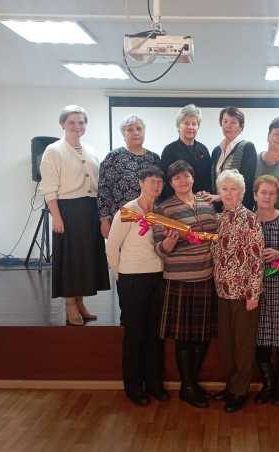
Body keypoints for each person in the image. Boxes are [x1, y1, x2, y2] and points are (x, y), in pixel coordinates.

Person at [153, 160, 218, 408]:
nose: (182, 181)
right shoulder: (163, 209)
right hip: (179, 280)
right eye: (176, 178)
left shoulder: (207, 204)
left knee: (202, 337)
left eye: (186, 176)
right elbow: (159, 248)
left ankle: (192, 383)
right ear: (171, 183)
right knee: (183, 338)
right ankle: (188, 386)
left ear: (193, 177)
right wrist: (168, 243)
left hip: (206, 277)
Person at [39, 105, 110, 326]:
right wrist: (57, 217)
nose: (77, 126)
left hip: (90, 209)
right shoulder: (53, 150)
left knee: (85, 258)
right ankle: (69, 304)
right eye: (72, 122)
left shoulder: (90, 150)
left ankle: (80, 302)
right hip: (68, 210)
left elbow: (97, 183)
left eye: (81, 122)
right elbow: (48, 188)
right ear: (62, 124)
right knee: (71, 259)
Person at [105, 166, 168, 406]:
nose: (156, 185)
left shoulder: (161, 211)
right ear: (141, 183)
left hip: (157, 277)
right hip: (132, 278)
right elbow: (112, 247)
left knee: (154, 335)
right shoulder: (128, 211)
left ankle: (154, 385)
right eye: (151, 181)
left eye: (159, 181)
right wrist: (119, 275)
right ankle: (133, 387)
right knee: (135, 335)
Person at [211, 169, 265, 413]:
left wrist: (254, 293)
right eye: (225, 189)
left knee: (243, 345)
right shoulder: (217, 219)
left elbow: (257, 259)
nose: (229, 193)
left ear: (241, 192)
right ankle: (230, 386)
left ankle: (240, 391)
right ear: (219, 192)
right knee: (226, 345)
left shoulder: (250, 219)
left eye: (234, 189)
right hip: (221, 291)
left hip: (243, 294)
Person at [252, 175, 279, 406]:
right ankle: (268, 385)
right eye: (263, 192)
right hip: (254, 288)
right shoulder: (247, 220)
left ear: (277, 196)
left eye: (271, 193)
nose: (267, 197)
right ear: (255, 195)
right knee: (260, 338)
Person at [97, 115, 161, 238]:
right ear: (123, 134)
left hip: (149, 218)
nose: (135, 132)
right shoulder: (113, 157)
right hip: (123, 218)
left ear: (144, 131)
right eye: (130, 129)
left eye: (139, 129)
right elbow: (103, 190)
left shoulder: (154, 158)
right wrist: (104, 220)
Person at [202, 107, 257, 210]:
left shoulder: (247, 147)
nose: (228, 125)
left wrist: (220, 197)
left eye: (233, 122)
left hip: (239, 208)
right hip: (219, 208)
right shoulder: (216, 151)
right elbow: (214, 180)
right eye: (225, 121)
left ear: (241, 126)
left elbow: (247, 182)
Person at [160, 104, 212, 201]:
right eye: (186, 123)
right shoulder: (169, 150)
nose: (190, 127)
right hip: (175, 202)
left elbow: (208, 179)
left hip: (201, 202)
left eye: (194, 124)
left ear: (198, 127)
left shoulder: (203, 150)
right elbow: (165, 181)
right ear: (178, 126)